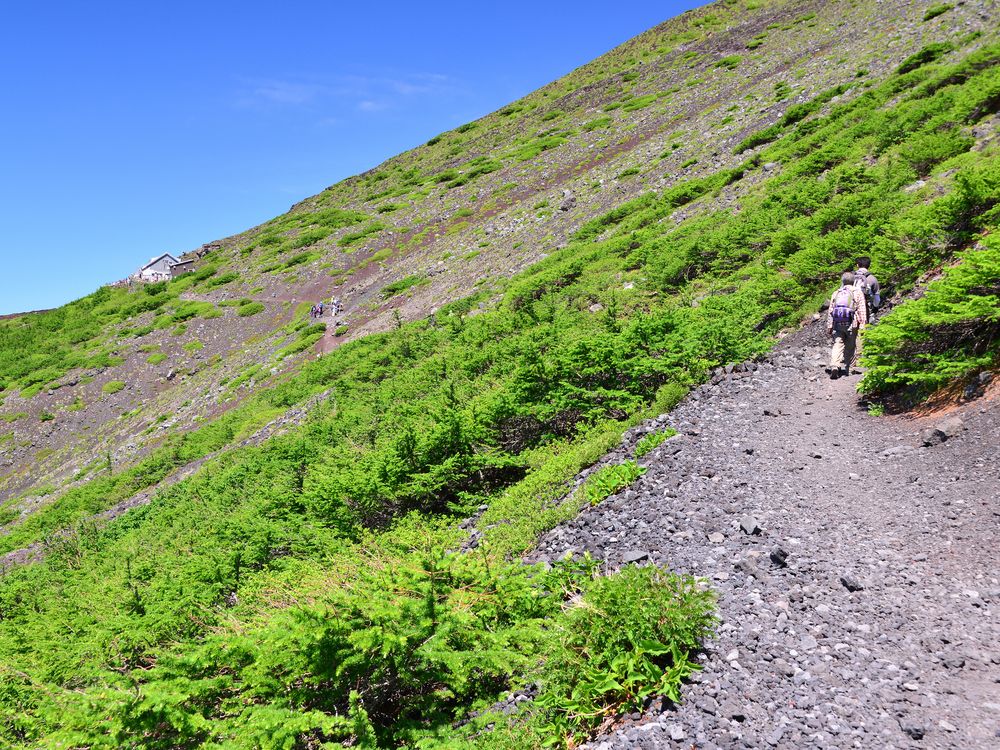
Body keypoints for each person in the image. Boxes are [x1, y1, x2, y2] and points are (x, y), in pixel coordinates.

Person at [826, 271, 868, 379]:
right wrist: (863, 324)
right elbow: (862, 309)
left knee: (838, 343)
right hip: (852, 322)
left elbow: (831, 310)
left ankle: (835, 365)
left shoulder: (836, 293)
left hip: (838, 323)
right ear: (853, 281)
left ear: (842, 281)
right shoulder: (857, 292)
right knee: (851, 345)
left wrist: (829, 325)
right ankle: (850, 368)